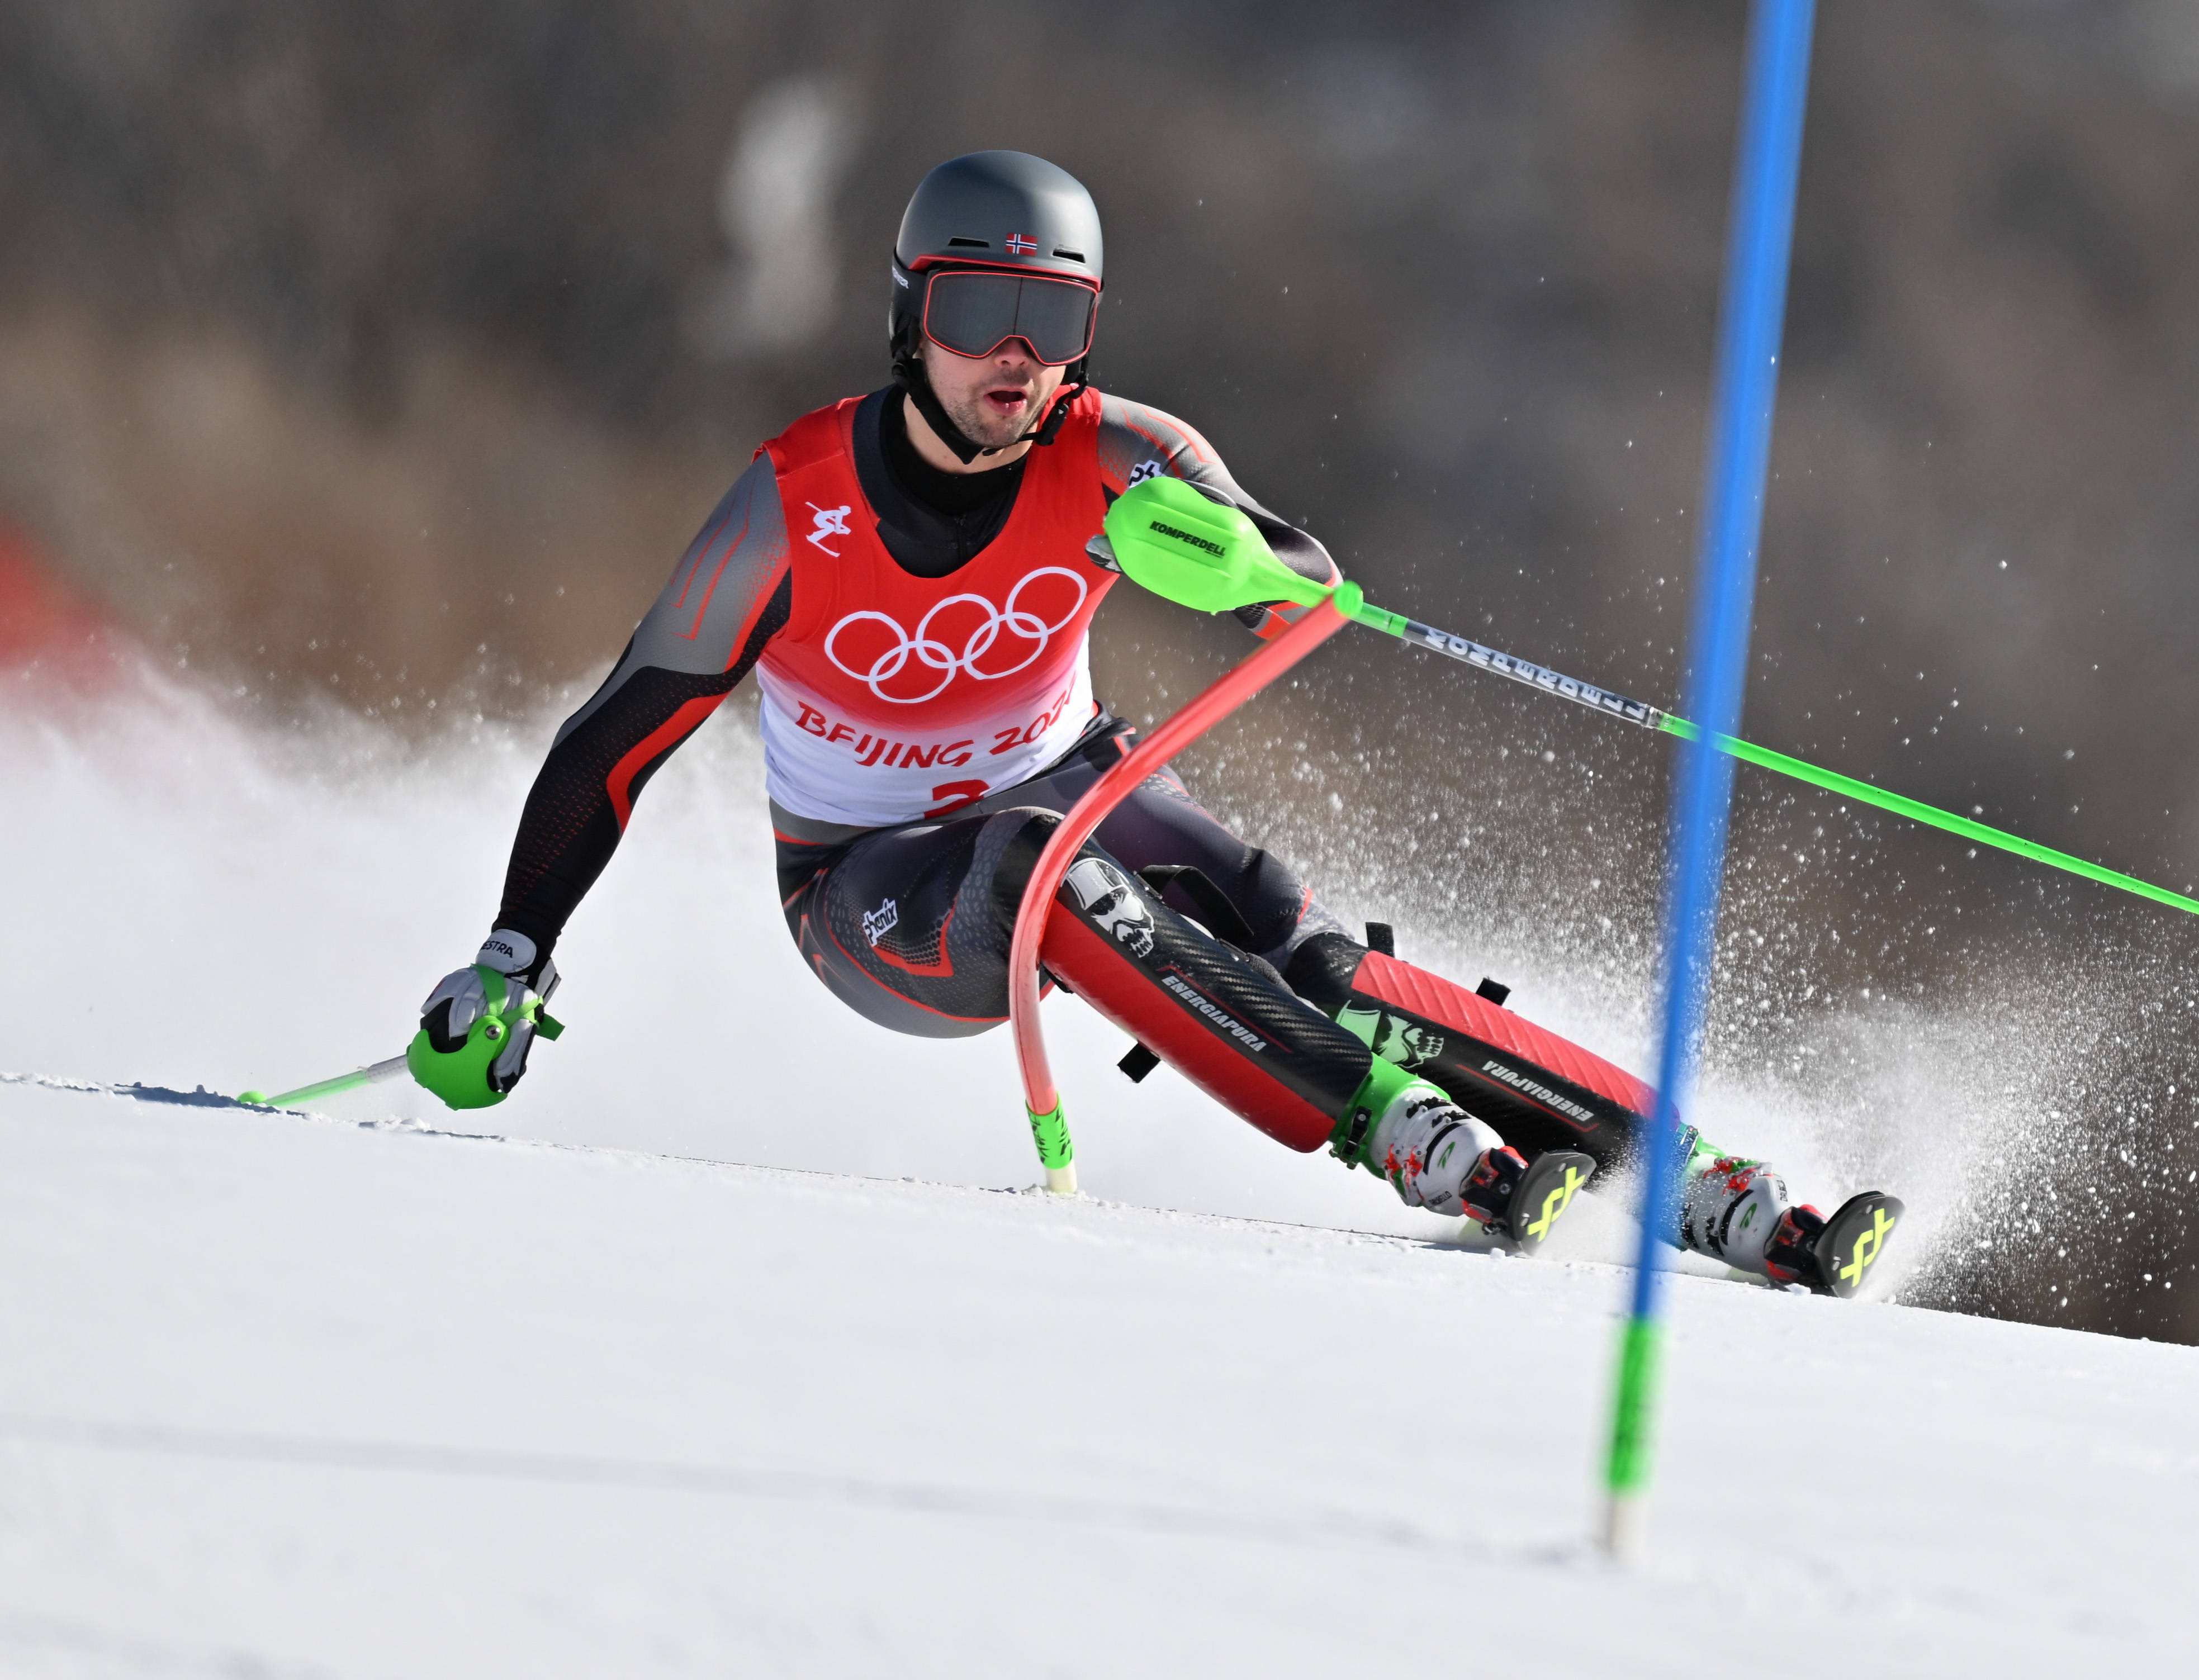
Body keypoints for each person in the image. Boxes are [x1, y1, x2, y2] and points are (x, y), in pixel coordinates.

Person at [415, 150, 1898, 1285]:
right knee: (1030, 862)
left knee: (1306, 948)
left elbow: (1309, 591)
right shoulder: (792, 506)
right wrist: (511, 955)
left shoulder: (1121, 453)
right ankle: (1395, 1130)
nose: (1016, 357)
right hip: (874, 893)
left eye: (1051, 318)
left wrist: (1257, 565)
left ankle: (1704, 1184)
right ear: (908, 317)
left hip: (1079, 784)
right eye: (977, 312)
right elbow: (622, 732)